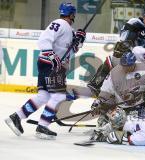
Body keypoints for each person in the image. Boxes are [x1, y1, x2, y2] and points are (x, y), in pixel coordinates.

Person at [4, 2, 86, 140]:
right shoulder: (59, 23)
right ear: (72, 14)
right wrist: (52, 57)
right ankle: (43, 126)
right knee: (58, 96)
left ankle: (16, 117)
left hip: (47, 64)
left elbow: (69, 52)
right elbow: (43, 40)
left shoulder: (69, 30)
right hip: (50, 65)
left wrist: (79, 40)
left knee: (44, 96)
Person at [87, 7, 145, 96]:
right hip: (124, 54)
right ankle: (96, 84)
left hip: (135, 60)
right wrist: (140, 33)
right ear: (144, 16)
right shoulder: (135, 22)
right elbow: (125, 37)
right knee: (112, 59)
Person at [91, 50, 145, 128]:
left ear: (134, 63)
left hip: (140, 106)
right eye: (123, 65)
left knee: (139, 123)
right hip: (121, 106)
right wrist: (98, 101)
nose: (125, 68)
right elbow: (106, 91)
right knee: (105, 118)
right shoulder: (114, 74)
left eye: (128, 66)